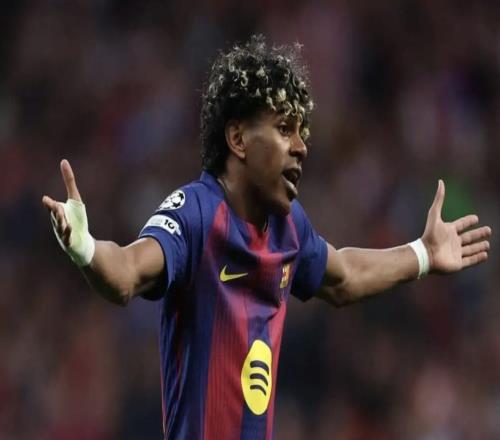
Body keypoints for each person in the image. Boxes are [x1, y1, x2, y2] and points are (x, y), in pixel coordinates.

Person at [42, 36, 492, 440]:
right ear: (238, 138)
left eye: (301, 132)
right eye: (283, 129)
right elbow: (125, 273)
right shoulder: (197, 211)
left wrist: (423, 253)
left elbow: (344, 276)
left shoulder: (288, 225)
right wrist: (84, 247)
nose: (301, 146)